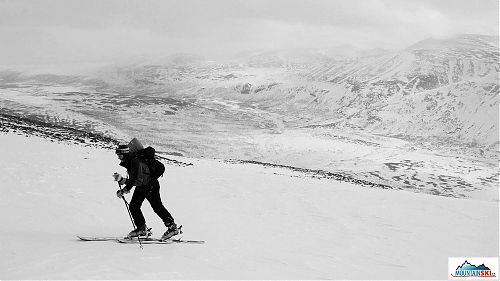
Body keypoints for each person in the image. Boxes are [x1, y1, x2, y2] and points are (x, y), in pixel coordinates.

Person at [113, 138, 180, 240]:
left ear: (125, 153)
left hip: (149, 185)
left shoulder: (135, 162)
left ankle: (170, 228)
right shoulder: (131, 161)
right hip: (145, 185)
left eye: (119, 155)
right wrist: (124, 190)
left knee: (154, 207)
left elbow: (138, 181)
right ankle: (143, 229)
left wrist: (122, 180)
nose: (118, 157)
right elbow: (135, 179)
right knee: (138, 206)